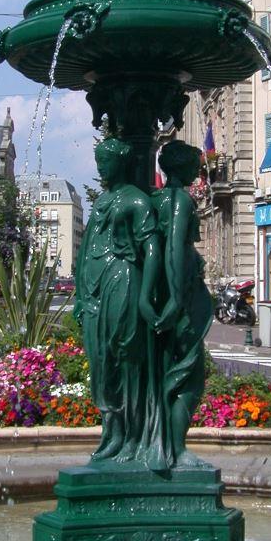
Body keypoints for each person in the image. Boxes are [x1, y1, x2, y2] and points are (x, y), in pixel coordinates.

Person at [74, 137, 161, 465]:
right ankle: (110, 429)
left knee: (123, 356)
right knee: (99, 359)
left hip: (122, 279)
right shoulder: (102, 201)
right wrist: (80, 295)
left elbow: (151, 249)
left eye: (104, 161)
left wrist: (144, 297)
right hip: (95, 286)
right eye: (98, 161)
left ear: (120, 163)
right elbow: (85, 249)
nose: (100, 167)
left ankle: (131, 434)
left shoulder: (137, 201)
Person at [151, 141, 214, 469]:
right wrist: (177, 297)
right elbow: (175, 247)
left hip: (163, 290)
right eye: (194, 164)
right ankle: (174, 448)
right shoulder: (180, 201)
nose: (198, 170)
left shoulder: (157, 198)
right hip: (181, 295)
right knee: (189, 373)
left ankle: (160, 443)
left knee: (165, 370)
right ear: (181, 167)